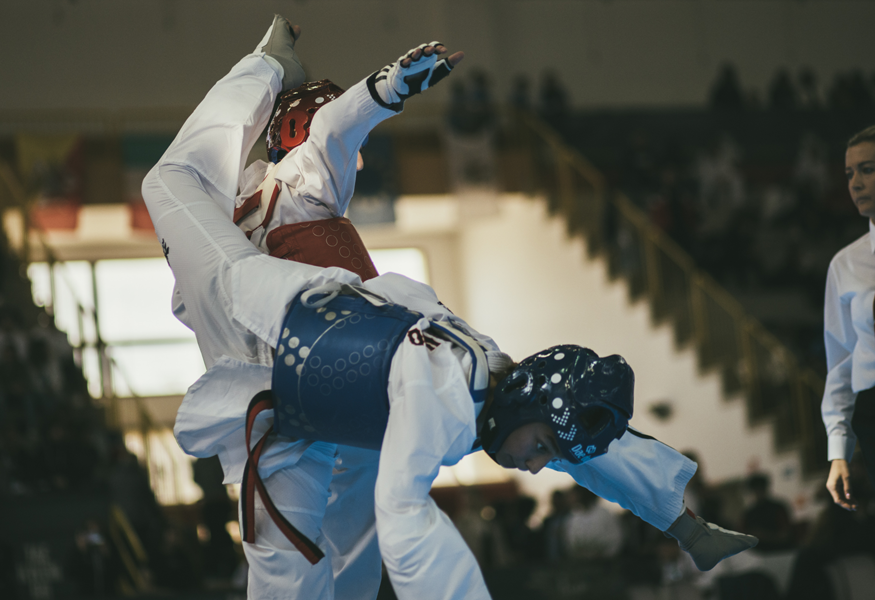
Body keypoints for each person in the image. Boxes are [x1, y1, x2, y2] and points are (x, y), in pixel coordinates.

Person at [143, 16, 755, 599]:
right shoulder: (255, 195)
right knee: (318, 554)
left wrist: (379, 92)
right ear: (296, 126)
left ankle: (266, 65)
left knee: (168, 182)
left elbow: (335, 134)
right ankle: (269, 66)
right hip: (298, 387)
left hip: (310, 346)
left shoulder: (303, 177)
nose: (354, 165)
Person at [823, 124, 875, 510]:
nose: (855, 183)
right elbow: (841, 362)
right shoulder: (846, 264)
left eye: (868, 169)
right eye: (849, 174)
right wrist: (839, 448)